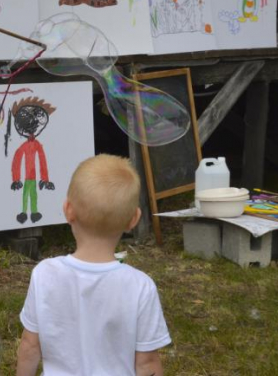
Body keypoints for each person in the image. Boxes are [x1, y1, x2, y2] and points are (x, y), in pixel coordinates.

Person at [17, 154, 170, 376]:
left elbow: (29, 346)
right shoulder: (141, 287)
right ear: (133, 219)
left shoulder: (44, 274)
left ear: (68, 210)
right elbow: (147, 362)